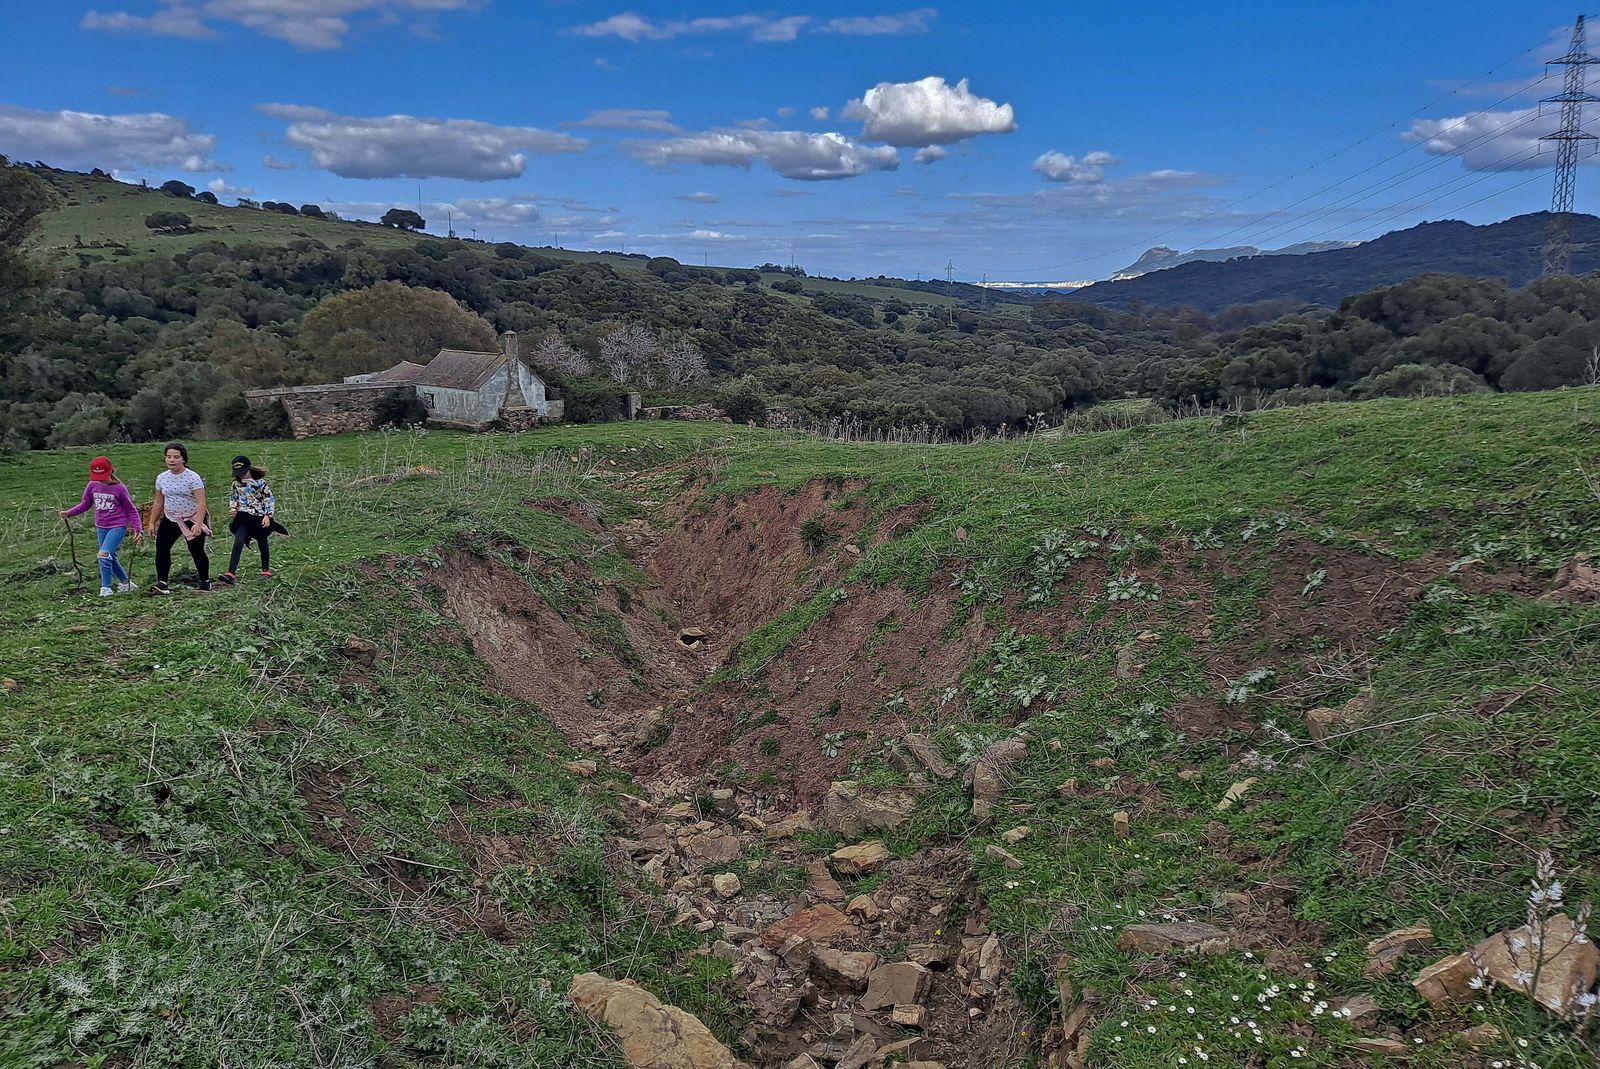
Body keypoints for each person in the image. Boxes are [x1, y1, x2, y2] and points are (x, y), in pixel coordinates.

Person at [59, 456, 143, 597]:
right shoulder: (92, 485)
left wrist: (137, 528)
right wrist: (69, 513)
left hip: (117, 525)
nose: (100, 479)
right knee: (110, 556)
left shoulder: (120, 488)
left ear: (110, 471)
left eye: (103, 475)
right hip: (101, 527)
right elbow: (85, 503)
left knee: (103, 555)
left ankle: (106, 588)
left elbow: (130, 509)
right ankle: (126, 583)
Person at [149, 441, 211, 594]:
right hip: (171, 518)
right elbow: (158, 501)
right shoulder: (162, 478)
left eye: (176, 457)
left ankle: (205, 581)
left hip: (192, 518)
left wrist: (197, 524)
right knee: (162, 548)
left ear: (183, 459)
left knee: (196, 550)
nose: (172, 460)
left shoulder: (193, 478)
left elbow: (201, 502)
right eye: (168, 457)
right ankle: (162, 582)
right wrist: (152, 522)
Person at [220, 455, 286, 584]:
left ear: (249, 468)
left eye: (243, 472)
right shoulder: (236, 484)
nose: (241, 475)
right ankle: (230, 573)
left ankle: (265, 569)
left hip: (258, 518)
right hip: (243, 518)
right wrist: (233, 508)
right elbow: (234, 498)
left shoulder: (260, 483)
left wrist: (268, 515)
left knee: (262, 542)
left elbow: (269, 499)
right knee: (238, 541)